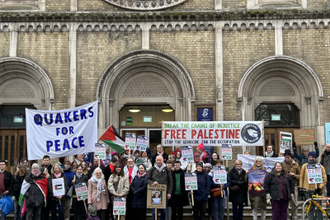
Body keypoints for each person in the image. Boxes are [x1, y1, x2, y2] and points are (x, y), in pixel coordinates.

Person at [299, 151, 327, 220]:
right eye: (310, 157)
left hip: (318, 191)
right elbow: (301, 178)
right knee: (310, 209)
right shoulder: (304, 166)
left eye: (313, 157)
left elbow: (324, 178)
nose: (311, 158)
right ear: (308, 157)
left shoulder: (320, 167)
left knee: (319, 208)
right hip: (307, 190)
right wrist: (301, 189)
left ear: (315, 158)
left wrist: (320, 187)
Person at [147, 155, 173, 220]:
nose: (158, 161)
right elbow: (147, 179)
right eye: (157, 160)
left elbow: (170, 181)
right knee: (154, 212)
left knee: (164, 211)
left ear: (163, 160)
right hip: (154, 193)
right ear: (155, 161)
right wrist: (152, 183)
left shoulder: (167, 169)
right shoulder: (152, 169)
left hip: (164, 193)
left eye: (160, 160)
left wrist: (169, 192)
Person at [280, 149, 300, 220]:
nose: (287, 159)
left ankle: (294, 217)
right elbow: (278, 174)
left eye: (288, 157)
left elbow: (300, 175)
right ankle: (287, 217)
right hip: (284, 186)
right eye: (286, 157)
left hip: (293, 185)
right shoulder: (281, 164)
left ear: (291, 157)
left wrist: (294, 175)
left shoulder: (296, 164)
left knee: (294, 202)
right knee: (285, 203)